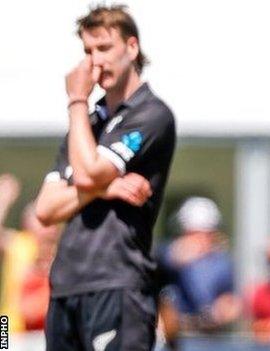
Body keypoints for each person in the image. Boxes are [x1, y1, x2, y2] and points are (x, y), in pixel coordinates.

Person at [34, 5, 176, 350]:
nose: (95, 61)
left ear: (131, 47)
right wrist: (105, 187)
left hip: (118, 283)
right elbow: (46, 209)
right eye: (87, 51)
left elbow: (86, 172)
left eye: (104, 48)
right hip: (67, 284)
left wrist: (77, 99)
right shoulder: (89, 123)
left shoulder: (151, 114)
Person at [157, 197, 241, 349]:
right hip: (172, 335)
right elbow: (157, 269)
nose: (202, 239)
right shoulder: (168, 252)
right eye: (194, 234)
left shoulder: (222, 262)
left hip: (207, 335)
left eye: (207, 234)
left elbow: (230, 299)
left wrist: (223, 311)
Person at [0, 174, 60, 333]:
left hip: (47, 332)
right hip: (9, 327)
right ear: (26, 222)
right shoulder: (20, 244)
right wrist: (3, 200)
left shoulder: (62, 251)